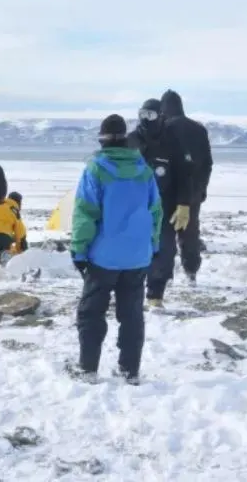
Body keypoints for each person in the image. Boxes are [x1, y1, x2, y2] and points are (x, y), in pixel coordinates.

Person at [68, 114, 161, 384]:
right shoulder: (144, 170)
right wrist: (153, 245)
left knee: (91, 313)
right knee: (131, 315)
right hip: (137, 256)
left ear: (102, 140)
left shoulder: (96, 170)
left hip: (103, 257)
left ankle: (88, 369)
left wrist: (79, 251)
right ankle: (129, 371)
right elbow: (156, 211)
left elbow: (85, 213)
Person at [126, 97, 193, 308]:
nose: (146, 119)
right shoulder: (130, 141)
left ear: (161, 116)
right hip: (135, 205)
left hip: (165, 205)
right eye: (142, 114)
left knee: (163, 249)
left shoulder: (173, 142)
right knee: (134, 249)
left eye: (151, 115)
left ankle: (155, 295)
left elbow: (185, 175)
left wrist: (184, 204)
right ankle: (131, 292)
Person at [159, 89, 213, 261]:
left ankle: (165, 270)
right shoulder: (199, 129)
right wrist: (202, 189)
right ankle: (191, 269)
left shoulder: (164, 128)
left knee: (165, 234)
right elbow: (207, 163)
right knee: (190, 233)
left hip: (168, 191)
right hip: (193, 191)